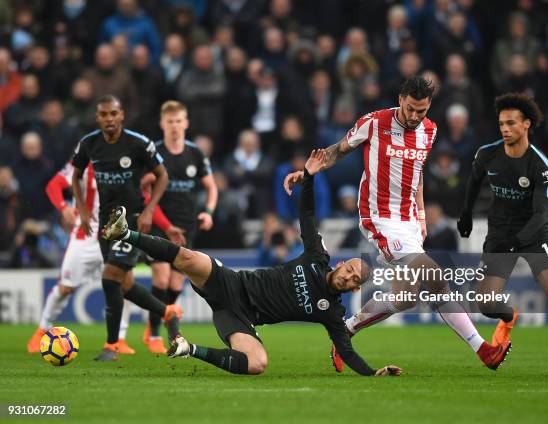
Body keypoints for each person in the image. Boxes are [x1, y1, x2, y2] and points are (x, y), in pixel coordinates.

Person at [101, 150, 402, 377]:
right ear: (340, 264)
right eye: (349, 269)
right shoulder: (316, 258)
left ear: (353, 289)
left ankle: (188, 348)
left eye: (354, 280)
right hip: (232, 282)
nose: (348, 277)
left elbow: (346, 351)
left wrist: (372, 373)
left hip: (239, 317)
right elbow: (307, 217)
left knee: (258, 364)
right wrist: (308, 179)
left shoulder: (333, 313)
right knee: (187, 257)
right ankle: (125, 232)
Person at [284, 76, 510, 373]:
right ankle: (483, 349)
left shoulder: (429, 131)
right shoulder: (375, 122)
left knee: (406, 297)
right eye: (411, 109)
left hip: (410, 222)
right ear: (401, 99)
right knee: (435, 275)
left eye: (422, 111)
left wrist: (421, 215)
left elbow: (417, 174)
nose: (416, 117)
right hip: (379, 218)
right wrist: (306, 173)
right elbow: (337, 150)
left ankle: (345, 331)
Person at [457, 92, 548, 372]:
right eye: (501, 124)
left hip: (534, 236)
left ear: (526, 125)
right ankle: (509, 317)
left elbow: (540, 213)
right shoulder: (488, 154)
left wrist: (517, 243)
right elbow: (473, 182)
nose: (505, 129)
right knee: (485, 303)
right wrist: (466, 214)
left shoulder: (540, 165)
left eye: (511, 123)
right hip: (499, 233)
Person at [26, 160, 183, 354]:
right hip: (85, 236)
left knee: (124, 285)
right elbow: (54, 185)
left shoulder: (124, 167)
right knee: (65, 288)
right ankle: (42, 330)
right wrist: (63, 207)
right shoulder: (84, 163)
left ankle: (119, 339)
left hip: (114, 235)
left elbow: (144, 199)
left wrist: (166, 227)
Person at [71, 95, 182, 361]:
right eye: (104, 115)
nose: (109, 119)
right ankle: (168, 313)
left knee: (110, 277)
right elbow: (75, 176)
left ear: (122, 115)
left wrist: (149, 210)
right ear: (98, 118)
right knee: (125, 284)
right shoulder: (89, 144)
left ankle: (112, 346)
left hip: (131, 220)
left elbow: (163, 175)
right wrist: (83, 211)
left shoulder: (138, 143)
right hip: (104, 220)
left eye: (113, 114)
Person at [143, 100, 218, 354]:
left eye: (178, 121)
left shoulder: (195, 154)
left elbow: (211, 187)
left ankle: (165, 322)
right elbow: (145, 187)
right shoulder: (154, 153)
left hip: (186, 227)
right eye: (170, 122)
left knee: (175, 285)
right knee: (161, 278)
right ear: (162, 124)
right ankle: (153, 332)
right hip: (159, 224)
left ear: (185, 123)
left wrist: (207, 212)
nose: (174, 126)